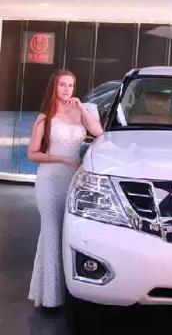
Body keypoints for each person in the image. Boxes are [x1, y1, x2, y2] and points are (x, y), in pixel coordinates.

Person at [27, 69, 103, 308]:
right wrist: (62, 159)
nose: (67, 89)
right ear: (54, 87)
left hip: (74, 182)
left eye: (70, 85)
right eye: (62, 85)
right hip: (50, 181)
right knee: (51, 232)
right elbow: (32, 153)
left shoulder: (82, 112)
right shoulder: (45, 117)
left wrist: (82, 109)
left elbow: (99, 133)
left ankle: (66, 292)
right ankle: (50, 298)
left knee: (70, 234)